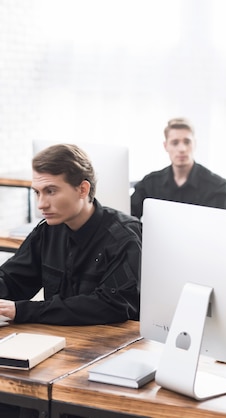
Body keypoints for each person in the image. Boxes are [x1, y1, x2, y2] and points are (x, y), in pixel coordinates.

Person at [0, 144, 142, 417]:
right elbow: (12, 278)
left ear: (83, 189)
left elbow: (110, 305)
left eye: (51, 191)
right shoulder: (49, 231)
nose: (41, 204)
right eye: (37, 193)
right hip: (57, 353)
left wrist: (23, 310)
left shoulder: (124, 237)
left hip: (108, 362)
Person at [131, 117, 226, 218]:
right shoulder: (149, 183)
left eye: (187, 142)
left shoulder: (218, 187)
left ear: (194, 144)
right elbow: (128, 218)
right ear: (166, 146)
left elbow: (225, 230)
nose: (182, 149)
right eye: (175, 143)